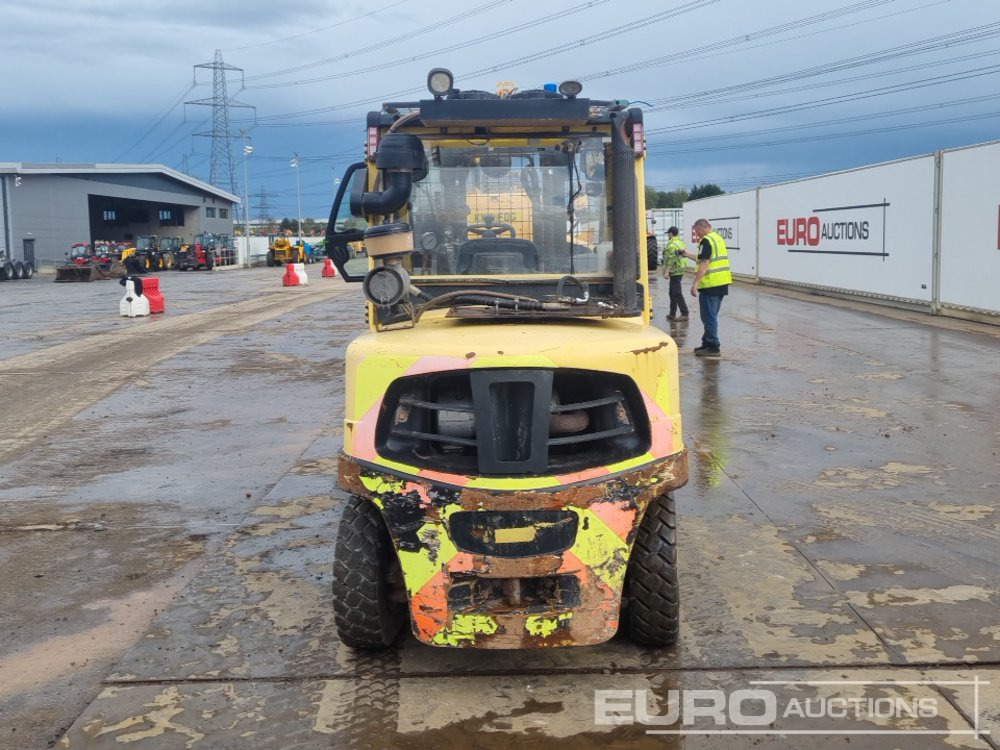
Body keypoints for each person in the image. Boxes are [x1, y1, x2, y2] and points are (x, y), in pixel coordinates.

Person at [685, 218, 732, 357]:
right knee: (711, 316)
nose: (697, 234)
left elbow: (704, 264)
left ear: (699, 229)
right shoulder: (717, 239)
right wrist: (687, 254)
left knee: (709, 317)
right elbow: (703, 258)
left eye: (696, 231)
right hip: (721, 283)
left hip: (710, 284)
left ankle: (713, 346)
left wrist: (695, 283)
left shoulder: (706, 241)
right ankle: (707, 342)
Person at [661, 226, 689, 321]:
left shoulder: (672, 245)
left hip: (675, 271)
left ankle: (684, 313)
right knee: (672, 293)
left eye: (668, 233)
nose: (668, 235)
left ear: (671, 234)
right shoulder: (680, 242)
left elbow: (672, 259)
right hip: (680, 270)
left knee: (676, 293)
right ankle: (672, 313)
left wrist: (667, 271)